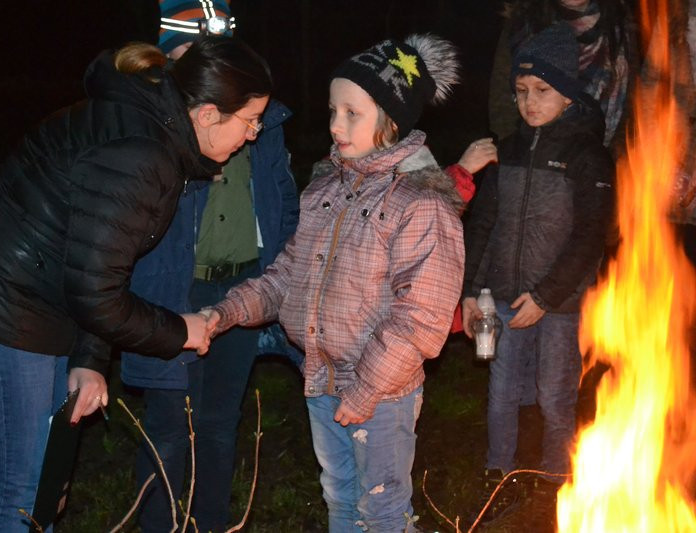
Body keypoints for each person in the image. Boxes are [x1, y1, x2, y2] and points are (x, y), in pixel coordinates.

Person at [0, 36, 273, 532]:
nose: (255, 133)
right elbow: (98, 294)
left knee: (41, 484)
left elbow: (96, 262)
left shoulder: (148, 130)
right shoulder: (143, 153)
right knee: (16, 495)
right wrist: (180, 331)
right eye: (250, 119)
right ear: (209, 113)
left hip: (31, 304)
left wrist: (88, 361)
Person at [204, 33, 466, 532]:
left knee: (383, 510)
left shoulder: (421, 203)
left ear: (391, 121)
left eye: (352, 113)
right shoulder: (327, 186)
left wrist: (365, 390)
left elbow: (423, 316)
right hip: (321, 375)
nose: (335, 125)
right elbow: (289, 273)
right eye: (332, 110)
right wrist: (227, 311)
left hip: (382, 393)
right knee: (340, 496)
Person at [120, 2, 300, 531]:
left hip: (240, 289)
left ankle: (212, 523)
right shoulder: (155, 128)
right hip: (172, 291)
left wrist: (279, 270)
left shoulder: (260, 121)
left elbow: (282, 200)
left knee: (221, 423)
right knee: (170, 428)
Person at [461, 23, 615, 531]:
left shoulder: (587, 155)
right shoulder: (504, 150)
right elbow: (483, 223)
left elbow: (590, 236)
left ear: (568, 95)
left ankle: (555, 477)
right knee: (502, 389)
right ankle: (497, 472)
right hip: (503, 295)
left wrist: (547, 296)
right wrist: (467, 291)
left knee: (554, 392)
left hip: (560, 302)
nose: (530, 102)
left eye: (542, 91)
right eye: (522, 92)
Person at [489, 0, 636, 152]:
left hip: (602, 155)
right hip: (531, 156)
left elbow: (632, 101)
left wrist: (616, 158)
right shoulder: (522, 23)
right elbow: (501, 99)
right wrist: (515, 154)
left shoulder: (620, 23)